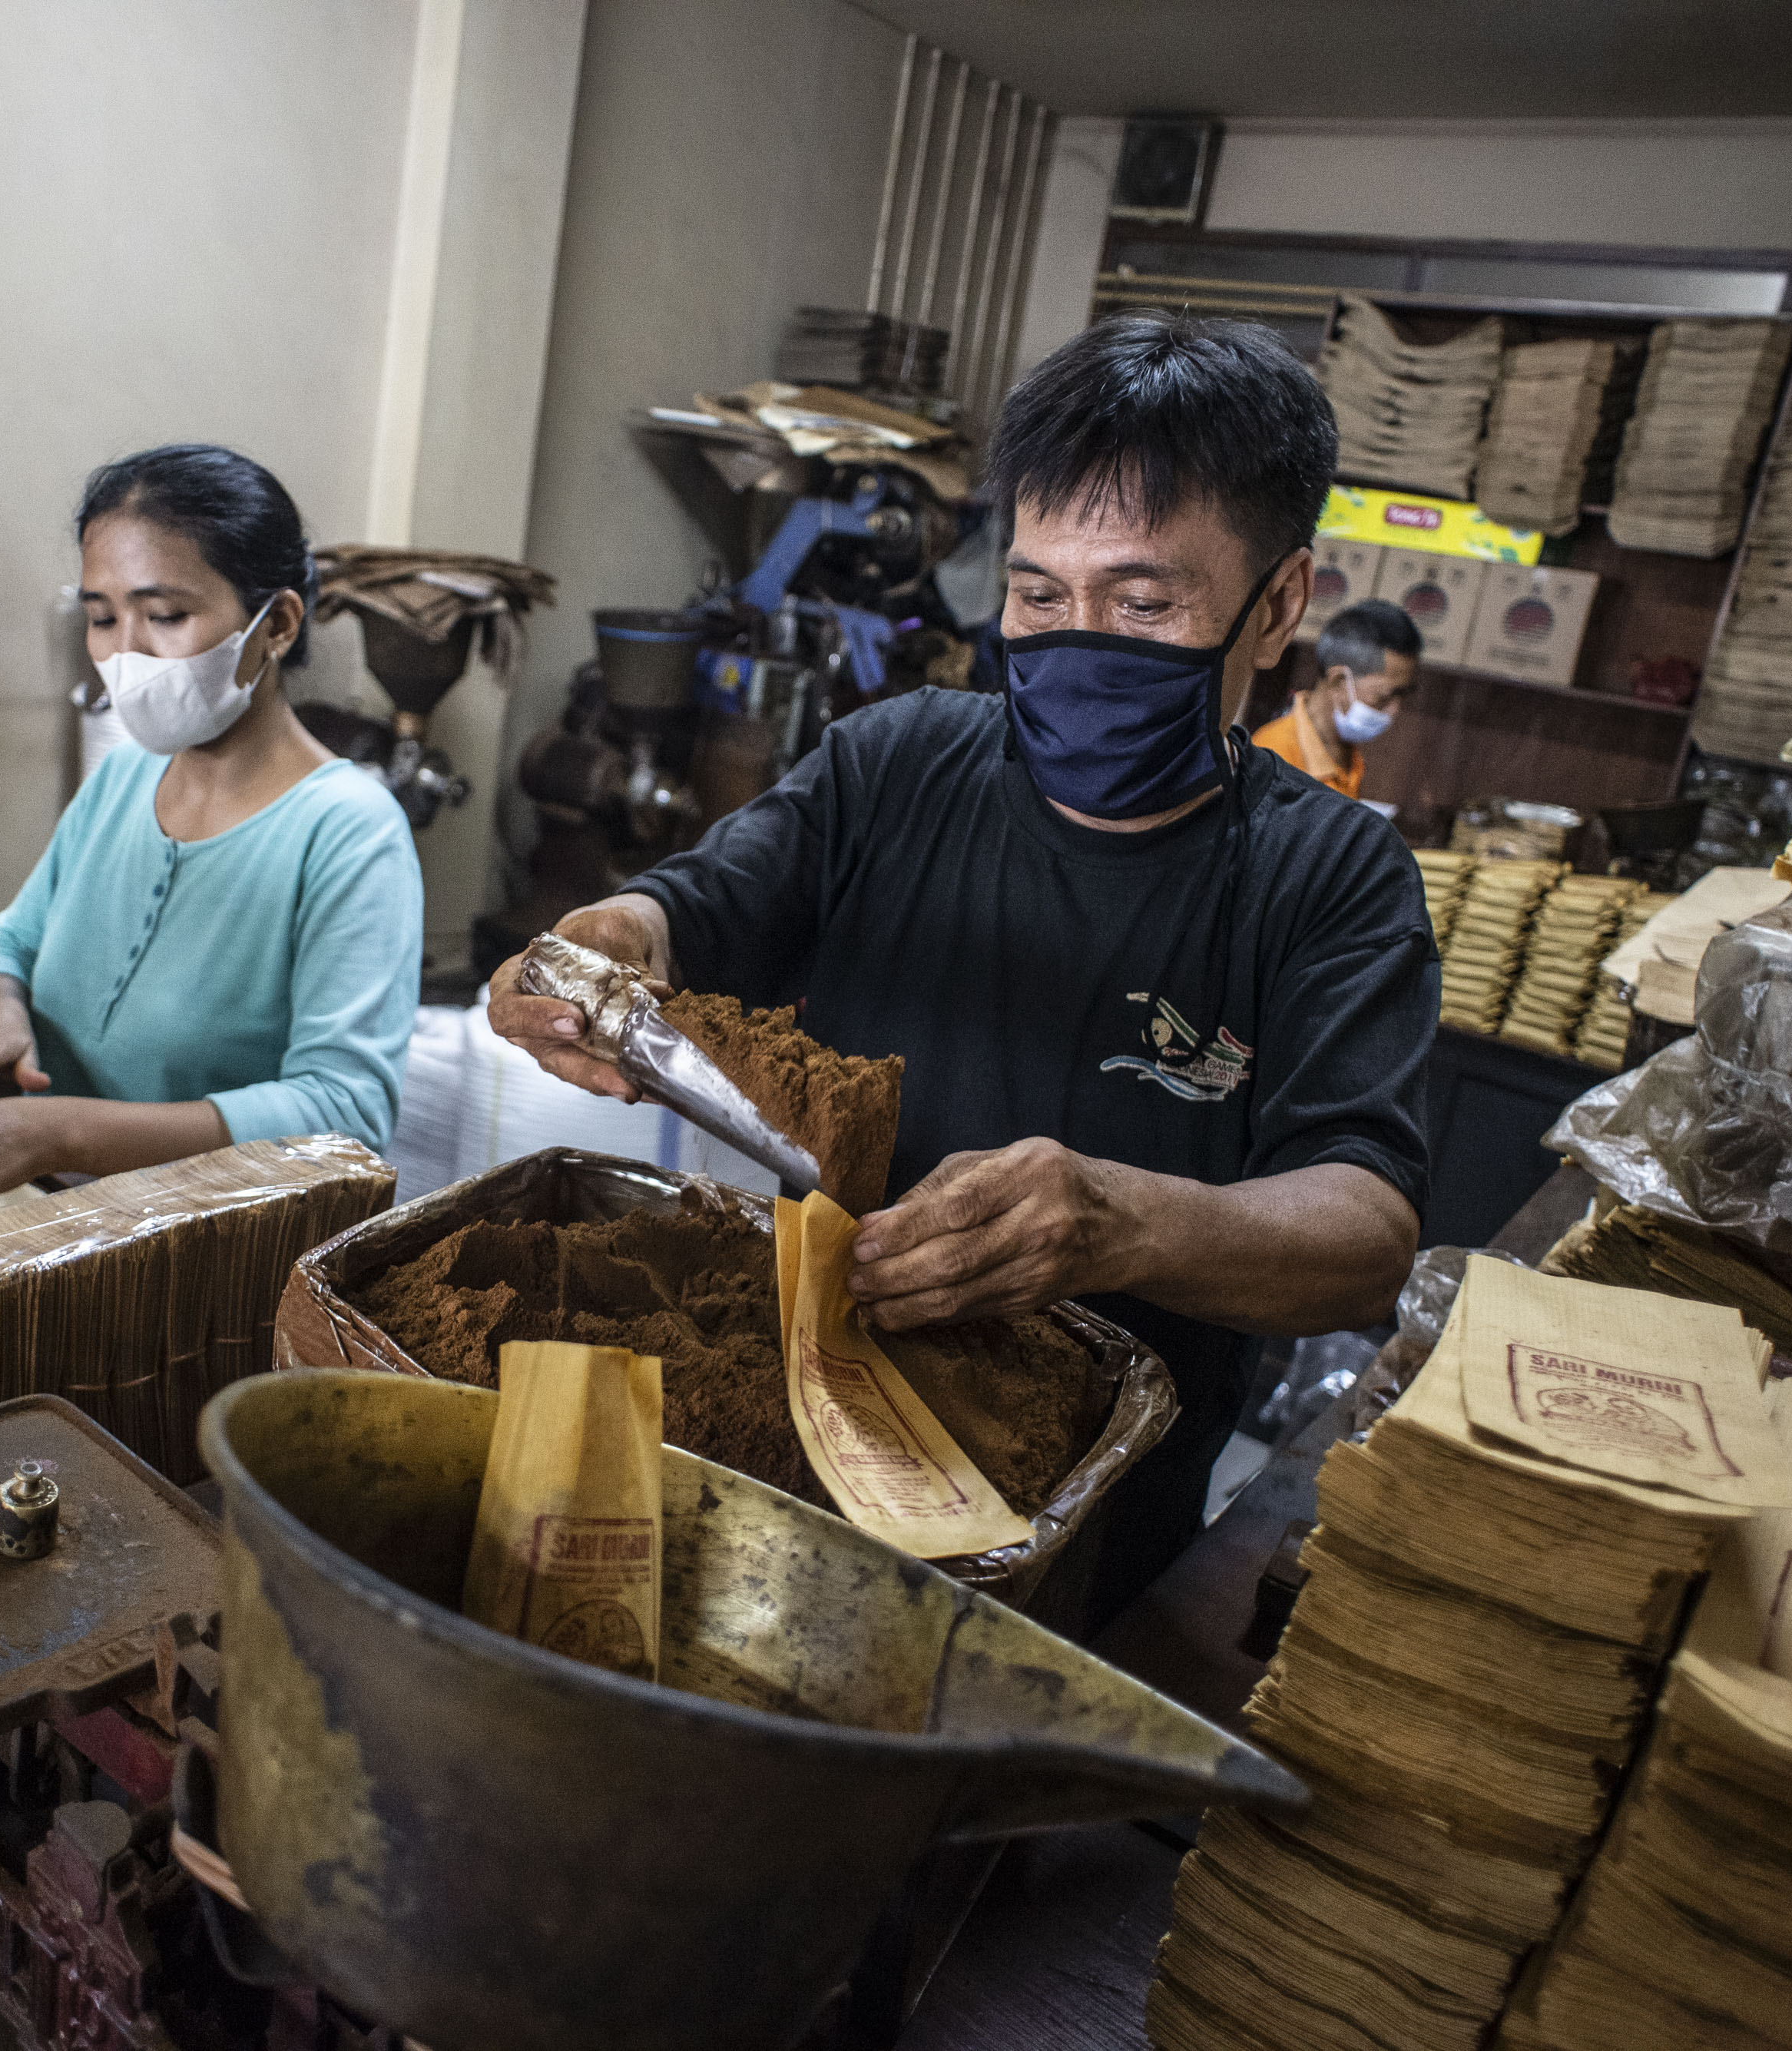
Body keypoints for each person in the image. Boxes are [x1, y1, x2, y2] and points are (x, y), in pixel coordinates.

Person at [487, 313, 1437, 1628]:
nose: (1077, 639)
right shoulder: (898, 764)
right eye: (1041, 596)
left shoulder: (1330, 876)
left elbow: (1365, 1237)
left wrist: (1118, 1219)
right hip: (802, 1432)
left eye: (1144, 601)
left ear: (1278, 605)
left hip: (1085, 1516)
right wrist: (623, 937)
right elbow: (695, 910)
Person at [0, 445, 422, 1224]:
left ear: (275, 624)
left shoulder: (348, 833)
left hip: (195, 1251)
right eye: (102, 618)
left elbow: (342, 1110)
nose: (126, 654)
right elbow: (10, 946)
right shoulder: (123, 779)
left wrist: (55, 1134)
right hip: (40, 1212)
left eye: (167, 616)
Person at [1250, 598, 1421, 801]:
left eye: (1401, 696)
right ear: (1339, 681)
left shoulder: (1348, 754)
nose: (1394, 710)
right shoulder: (1274, 756)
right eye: (1385, 696)